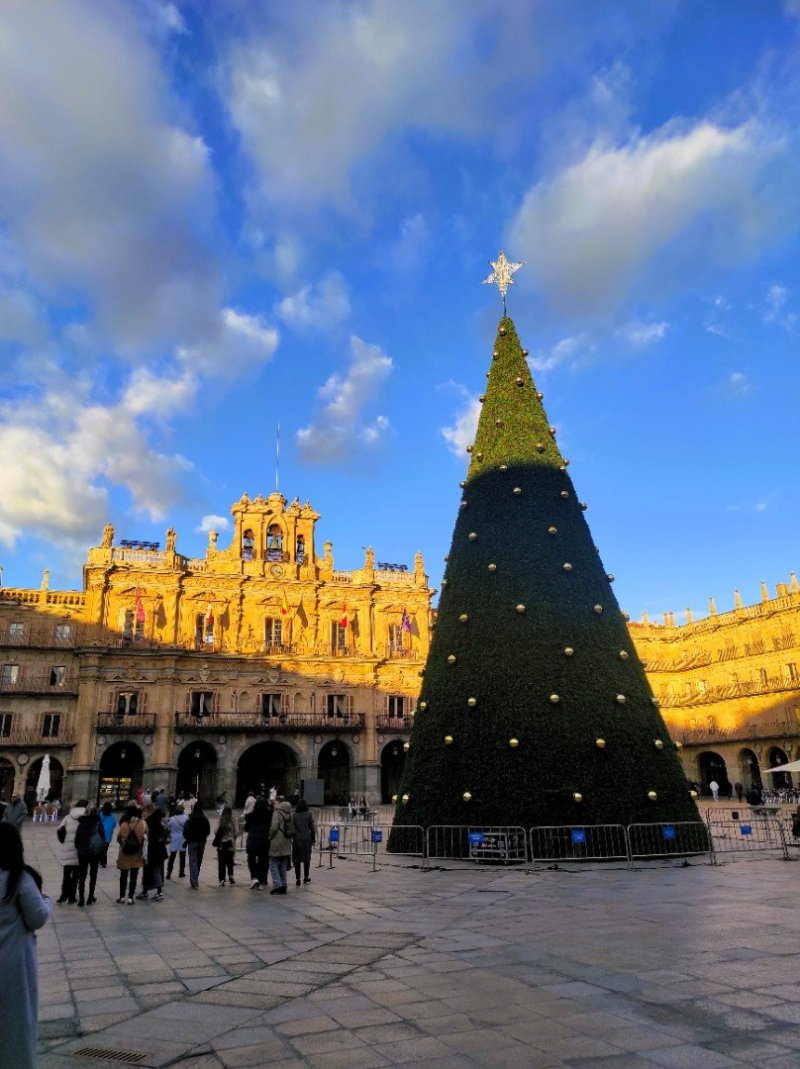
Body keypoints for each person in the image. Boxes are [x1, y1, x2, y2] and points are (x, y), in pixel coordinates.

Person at [0, 823, 53, 1069]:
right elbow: (38, 917)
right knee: (16, 1020)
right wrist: (46, 899)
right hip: (13, 962)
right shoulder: (19, 878)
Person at [56, 798, 87, 904]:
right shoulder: (85, 818)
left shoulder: (67, 817)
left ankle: (63, 895)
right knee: (76, 876)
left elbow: (59, 830)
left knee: (66, 874)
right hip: (79, 850)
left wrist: (64, 841)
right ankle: (72, 897)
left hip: (68, 849)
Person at [74, 804, 105, 906]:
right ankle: (90, 896)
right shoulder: (98, 823)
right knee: (93, 874)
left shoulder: (81, 823)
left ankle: (81, 898)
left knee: (82, 875)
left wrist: (79, 848)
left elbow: (77, 839)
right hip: (94, 852)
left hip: (82, 852)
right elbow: (103, 837)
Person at [116, 805, 146, 904]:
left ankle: (121, 897)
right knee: (134, 875)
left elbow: (118, 838)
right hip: (137, 853)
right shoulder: (142, 823)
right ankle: (130, 897)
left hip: (125, 853)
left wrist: (122, 844)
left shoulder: (124, 824)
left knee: (123, 875)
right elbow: (147, 835)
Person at [138, 803, 167, 901]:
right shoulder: (159, 823)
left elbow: (145, 836)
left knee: (149, 871)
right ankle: (153, 891)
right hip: (159, 851)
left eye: (145, 811)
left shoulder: (149, 822)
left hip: (151, 851)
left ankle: (152, 892)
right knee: (156, 871)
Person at [268, 799, 295, 895]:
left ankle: (278, 884)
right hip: (287, 842)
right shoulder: (290, 815)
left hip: (277, 841)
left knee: (273, 863)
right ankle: (284, 884)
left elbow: (274, 827)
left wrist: (269, 837)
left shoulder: (277, 813)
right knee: (283, 864)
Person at [245, 797, 271, 889]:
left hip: (252, 840)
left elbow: (246, 828)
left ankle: (254, 877)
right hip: (264, 840)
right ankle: (263, 878)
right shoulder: (269, 815)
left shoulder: (250, 816)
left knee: (251, 859)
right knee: (263, 860)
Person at [183, 801, 210, 890]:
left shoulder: (190, 818)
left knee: (193, 861)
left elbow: (185, 831)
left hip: (192, 842)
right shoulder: (204, 819)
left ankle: (194, 882)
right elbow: (208, 831)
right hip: (201, 842)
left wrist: (188, 838)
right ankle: (195, 879)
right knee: (198, 861)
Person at [292, 798, 316, 886]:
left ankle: (297, 878)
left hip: (297, 839)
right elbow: (312, 828)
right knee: (306, 858)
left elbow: (292, 828)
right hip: (306, 839)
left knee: (296, 859)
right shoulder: (309, 815)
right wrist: (313, 839)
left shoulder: (294, 815)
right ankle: (306, 877)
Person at [213, 805, 237, 885]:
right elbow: (236, 832)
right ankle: (231, 876)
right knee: (230, 861)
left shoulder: (221, 819)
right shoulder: (233, 820)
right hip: (230, 843)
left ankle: (222, 879)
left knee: (222, 862)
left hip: (222, 844)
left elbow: (216, 831)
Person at [166, 804, 187, 879]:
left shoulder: (172, 819)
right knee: (182, 856)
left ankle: (169, 872)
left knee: (172, 856)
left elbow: (168, 828)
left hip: (174, 838)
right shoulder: (186, 818)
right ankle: (181, 872)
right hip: (183, 838)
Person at [99, 801, 117, 867]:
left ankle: (101, 860)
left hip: (101, 833)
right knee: (105, 848)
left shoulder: (101, 814)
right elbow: (114, 824)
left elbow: (98, 823)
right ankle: (103, 862)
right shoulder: (113, 816)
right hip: (108, 835)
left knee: (101, 847)